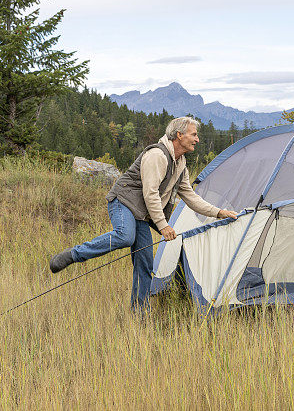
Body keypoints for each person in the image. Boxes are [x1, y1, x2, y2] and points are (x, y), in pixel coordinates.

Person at [49, 116, 238, 311]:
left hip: (141, 215)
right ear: (179, 135)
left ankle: (140, 312)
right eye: (194, 134)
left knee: (145, 264)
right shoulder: (157, 155)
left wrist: (219, 212)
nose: (197, 139)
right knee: (125, 236)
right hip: (123, 202)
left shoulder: (181, 164)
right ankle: (74, 254)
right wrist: (163, 226)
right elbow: (150, 193)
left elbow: (190, 196)